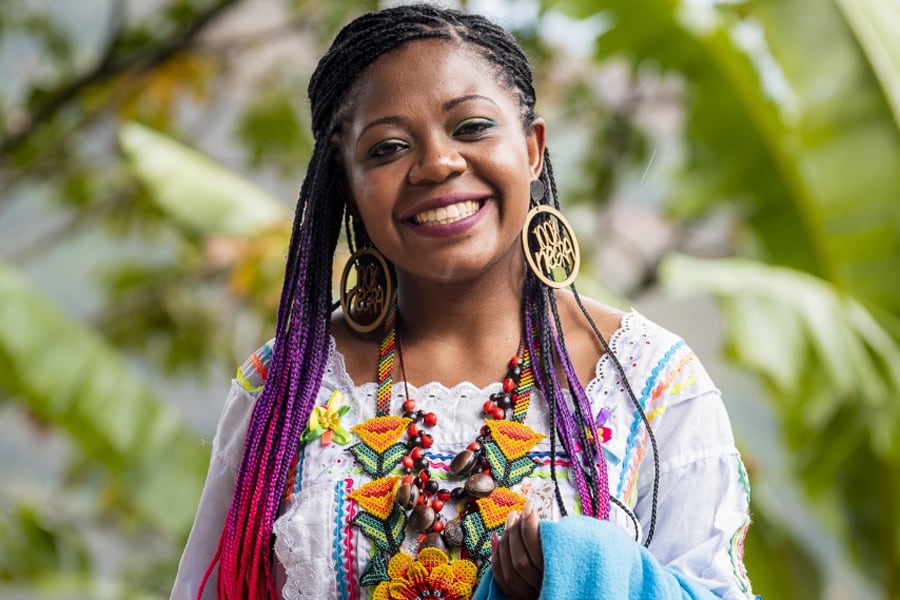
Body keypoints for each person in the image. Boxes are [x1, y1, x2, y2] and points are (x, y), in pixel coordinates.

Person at [170, 4, 755, 599]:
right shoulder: (288, 387)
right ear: (348, 186)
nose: (437, 164)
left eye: (471, 127)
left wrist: (578, 571)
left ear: (532, 149)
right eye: (387, 148)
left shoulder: (648, 382)